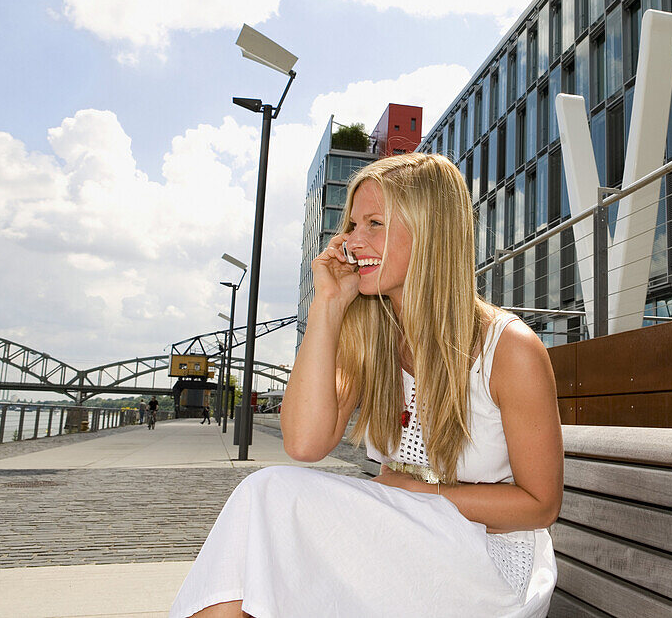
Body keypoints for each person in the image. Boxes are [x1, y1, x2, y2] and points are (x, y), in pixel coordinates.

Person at [171, 153, 563, 617]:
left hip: (487, 559)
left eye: (374, 223)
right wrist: (329, 306)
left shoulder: (509, 348)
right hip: (403, 535)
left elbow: (540, 505)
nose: (352, 241)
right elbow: (303, 442)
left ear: (430, 232)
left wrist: (428, 495)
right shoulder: (373, 335)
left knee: (270, 504)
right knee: (262, 528)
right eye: (352, 225)